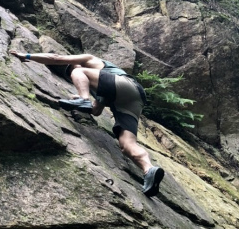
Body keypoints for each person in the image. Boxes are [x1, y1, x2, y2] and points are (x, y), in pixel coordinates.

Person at [10, 50, 165, 197]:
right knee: (127, 145)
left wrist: (28, 56)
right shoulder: (102, 87)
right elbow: (96, 111)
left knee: (78, 72)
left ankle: (82, 97)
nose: (73, 73)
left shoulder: (90, 60)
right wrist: (78, 104)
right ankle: (148, 169)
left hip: (124, 84)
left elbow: (56, 58)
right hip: (134, 99)